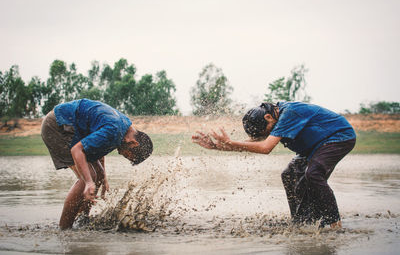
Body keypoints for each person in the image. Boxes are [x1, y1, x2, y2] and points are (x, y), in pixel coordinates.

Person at [192, 101, 356, 228]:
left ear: (268, 118)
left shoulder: (289, 113)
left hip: (339, 137)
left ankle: (335, 225)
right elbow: (255, 142)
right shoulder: (274, 117)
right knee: (289, 175)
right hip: (313, 147)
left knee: (313, 174)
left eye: (268, 132)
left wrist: (230, 142)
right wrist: (218, 147)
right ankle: (301, 223)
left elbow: (265, 147)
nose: (269, 135)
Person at [41, 99, 153, 230]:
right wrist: (88, 181)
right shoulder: (115, 130)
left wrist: (103, 176)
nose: (121, 154)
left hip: (70, 125)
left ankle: (82, 219)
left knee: (97, 175)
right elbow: (76, 150)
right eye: (127, 155)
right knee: (88, 177)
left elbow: (98, 146)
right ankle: (64, 229)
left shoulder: (123, 127)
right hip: (58, 125)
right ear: (134, 143)